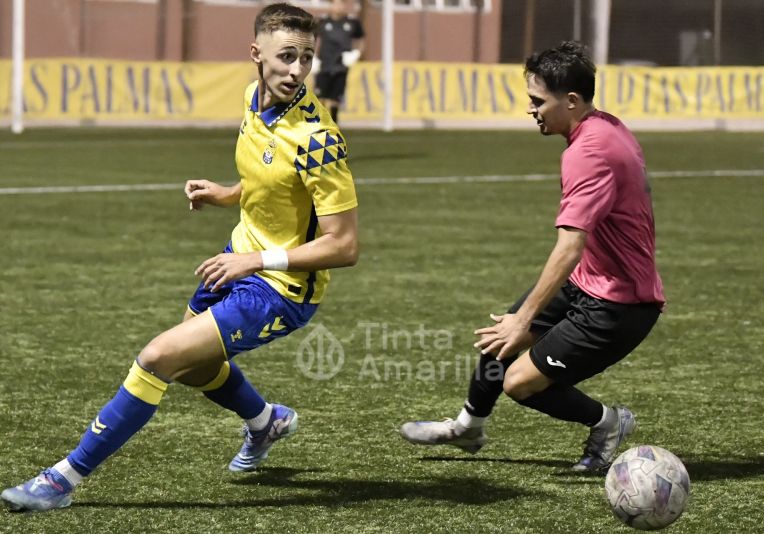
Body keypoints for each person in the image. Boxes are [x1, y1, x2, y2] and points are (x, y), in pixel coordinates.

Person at [2, 3, 359, 512]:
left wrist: (255, 262)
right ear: (256, 54)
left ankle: (62, 479)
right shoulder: (253, 100)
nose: (297, 70)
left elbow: (344, 246)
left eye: (306, 58)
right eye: (286, 56)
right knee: (194, 369)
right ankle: (266, 421)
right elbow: (271, 182)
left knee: (157, 358)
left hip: (281, 286)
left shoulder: (319, 140)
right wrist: (227, 194)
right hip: (236, 257)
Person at [399, 41, 665, 473]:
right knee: (500, 339)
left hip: (619, 304)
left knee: (519, 382)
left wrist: (526, 320)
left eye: (539, 101)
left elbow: (570, 244)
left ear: (572, 101)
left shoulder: (588, 152)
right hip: (588, 280)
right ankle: (469, 426)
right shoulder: (604, 127)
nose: (532, 110)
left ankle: (609, 422)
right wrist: (519, 320)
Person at [313, 0, 365, 123]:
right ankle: (320, 125)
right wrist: (313, 57)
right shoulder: (322, 22)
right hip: (324, 65)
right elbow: (315, 40)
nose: (338, 7)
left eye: (341, 4)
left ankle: (334, 125)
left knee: (336, 98)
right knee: (320, 97)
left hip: (341, 66)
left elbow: (361, 40)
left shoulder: (352, 22)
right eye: (335, 4)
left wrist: (356, 54)